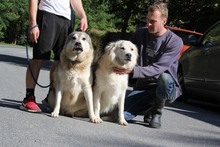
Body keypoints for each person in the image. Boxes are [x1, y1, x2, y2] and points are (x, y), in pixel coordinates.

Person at [115, 2, 183, 128]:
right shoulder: (139, 34)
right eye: (148, 20)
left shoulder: (175, 41)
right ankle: (148, 109)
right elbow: (126, 52)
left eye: (153, 21)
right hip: (144, 86)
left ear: (164, 21)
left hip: (166, 87)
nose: (149, 24)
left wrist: (132, 70)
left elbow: (159, 68)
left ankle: (157, 112)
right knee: (119, 115)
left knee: (165, 77)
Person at [20, 0, 88, 113]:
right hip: (47, 14)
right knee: (39, 57)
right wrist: (33, 23)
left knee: (60, 60)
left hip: (66, 20)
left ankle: (50, 97)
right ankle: (29, 98)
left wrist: (83, 16)